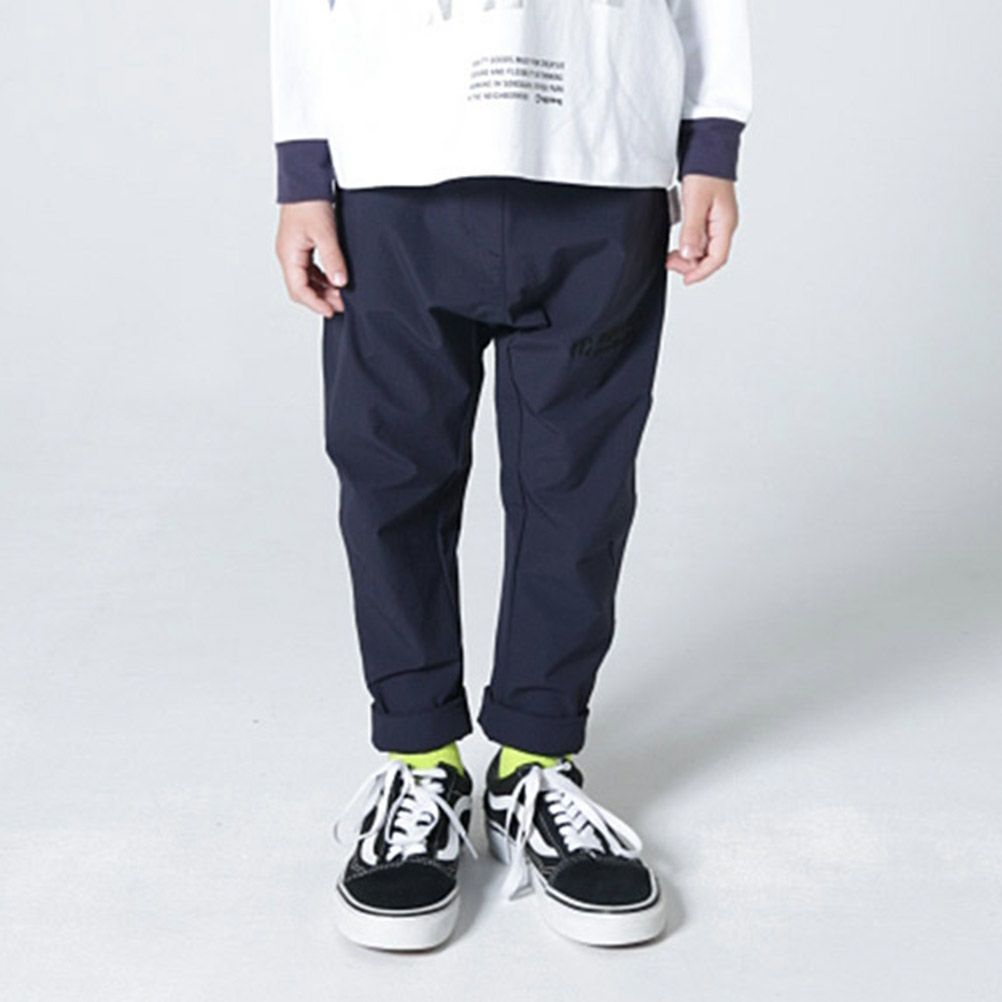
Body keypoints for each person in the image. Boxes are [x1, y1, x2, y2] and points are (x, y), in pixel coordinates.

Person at [270, 0, 751, 951]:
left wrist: (711, 143)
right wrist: (302, 171)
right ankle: (422, 762)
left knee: (578, 484)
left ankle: (535, 760)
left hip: (598, 146)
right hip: (395, 155)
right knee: (392, 471)